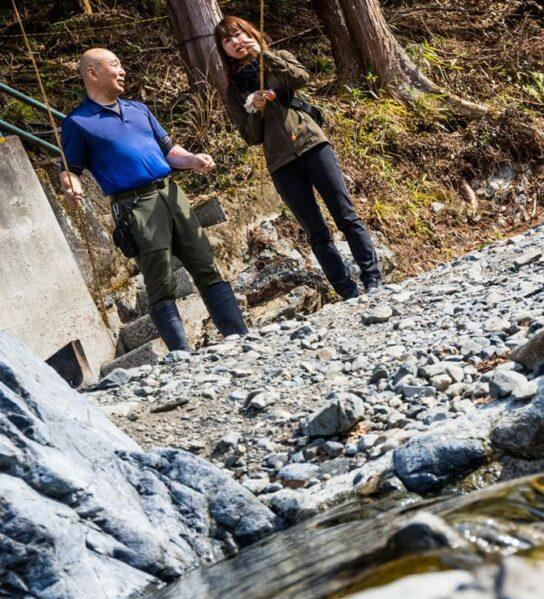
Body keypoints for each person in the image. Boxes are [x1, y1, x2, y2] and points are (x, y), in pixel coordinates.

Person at [60, 48, 248, 352]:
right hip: (136, 206)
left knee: (205, 263)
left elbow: (170, 151)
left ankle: (239, 334)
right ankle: (181, 353)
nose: (122, 71)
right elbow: (70, 170)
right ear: (92, 73)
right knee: (160, 280)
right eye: (115, 64)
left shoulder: (139, 109)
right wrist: (71, 187)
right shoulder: (78, 122)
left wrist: (193, 159)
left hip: (171, 194)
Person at [215, 15, 383, 300]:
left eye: (239, 34)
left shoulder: (277, 56)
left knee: (346, 216)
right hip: (281, 163)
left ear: (251, 33)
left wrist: (264, 55)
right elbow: (250, 136)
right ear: (225, 51)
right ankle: (347, 292)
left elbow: (301, 78)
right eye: (228, 40)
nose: (236, 42)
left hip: (313, 144)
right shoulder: (234, 91)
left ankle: (373, 280)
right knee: (315, 231)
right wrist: (255, 108)